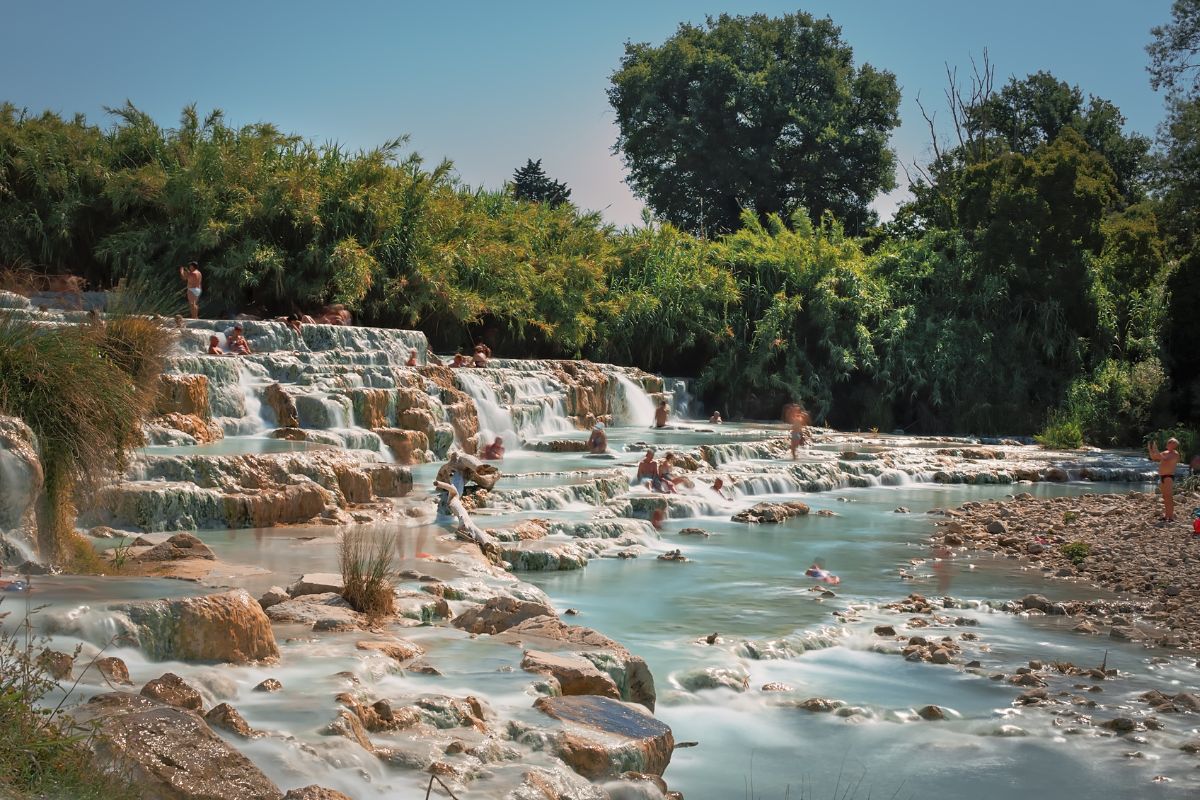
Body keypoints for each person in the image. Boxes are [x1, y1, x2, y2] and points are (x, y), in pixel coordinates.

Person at [1149, 436, 1183, 522]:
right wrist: (1150, 448)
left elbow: (1163, 458)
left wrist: (1156, 449)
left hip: (1168, 476)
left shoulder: (1175, 454)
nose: (1168, 443)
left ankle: (1171, 517)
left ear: (1174, 445)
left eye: (1171, 442)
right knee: (1165, 496)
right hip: (1162, 476)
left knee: (1169, 496)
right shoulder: (1165, 452)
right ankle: (1166, 515)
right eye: (1169, 442)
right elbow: (1154, 457)